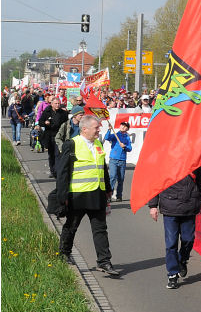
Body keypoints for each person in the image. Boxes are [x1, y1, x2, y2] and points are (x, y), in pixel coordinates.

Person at [55, 115, 119, 276]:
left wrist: (108, 188)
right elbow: (62, 172)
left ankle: (104, 261)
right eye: (96, 128)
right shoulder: (72, 144)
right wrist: (62, 197)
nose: (99, 130)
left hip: (97, 194)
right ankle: (64, 253)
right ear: (85, 129)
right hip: (78, 195)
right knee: (71, 225)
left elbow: (102, 167)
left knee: (100, 229)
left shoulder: (97, 143)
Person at [148, 167, 201, 289]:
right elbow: (156, 183)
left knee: (189, 240)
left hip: (190, 206)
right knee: (171, 244)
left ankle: (182, 260)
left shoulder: (195, 160)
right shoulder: (165, 160)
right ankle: (172, 274)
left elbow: (200, 181)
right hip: (170, 207)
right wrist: (153, 205)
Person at [39, 96, 69, 176]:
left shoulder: (63, 113)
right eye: (56, 103)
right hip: (49, 135)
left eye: (59, 103)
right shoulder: (47, 111)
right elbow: (40, 122)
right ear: (52, 104)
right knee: (51, 154)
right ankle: (52, 170)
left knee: (58, 153)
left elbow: (66, 124)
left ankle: (57, 170)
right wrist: (45, 123)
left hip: (59, 136)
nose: (57, 105)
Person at [104, 122, 133, 202]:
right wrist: (109, 130)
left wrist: (125, 147)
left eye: (125, 126)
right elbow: (107, 138)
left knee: (121, 179)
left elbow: (130, 148)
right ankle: (109, 195)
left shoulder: (127, 137)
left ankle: (119, 196)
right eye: (122, 125)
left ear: (127, 129)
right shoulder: (115, 135)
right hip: (113, 159)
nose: (123, 127)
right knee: (112, 177)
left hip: (122, 160)